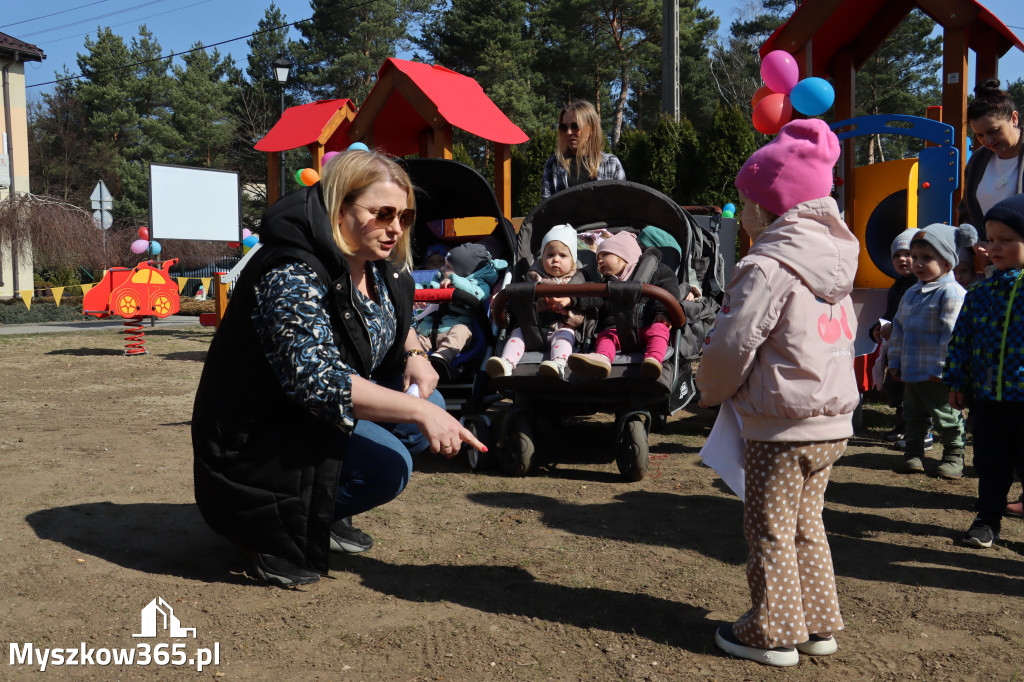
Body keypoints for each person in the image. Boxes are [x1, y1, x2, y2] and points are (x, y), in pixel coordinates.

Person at [192, 149, 485, 587]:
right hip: (255, 438)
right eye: (382, 213)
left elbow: (391, 317)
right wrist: (423, 413)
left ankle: (321, 512)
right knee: (392, 464)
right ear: (340, 207)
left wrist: (417, 356)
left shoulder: (374, 260)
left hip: (302, 415)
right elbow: (319, 381)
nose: (395, 228)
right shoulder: (291, 269)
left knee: (430, 399)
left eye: (403, 216)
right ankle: (274, 532)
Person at [696, 119, 860, 667]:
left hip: (782, 420)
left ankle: (771, 630)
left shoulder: (766, 265)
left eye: (746, 201)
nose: (742, 212)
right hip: (831, 420)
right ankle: (817, 622)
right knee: (805, 523)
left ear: (769, 208)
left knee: (767, 525)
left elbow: (733, 341)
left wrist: (709, 387)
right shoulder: (835, 260)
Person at [946, 193, 1024, 548]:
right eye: (990, 239)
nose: (994, 247)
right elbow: (961, 341)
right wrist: (958, 381)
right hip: (989, 397)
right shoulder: (980, 293)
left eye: (1006, 240)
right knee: (990, 463)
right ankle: (987, 519)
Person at [887, 224, 975, 478]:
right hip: (912, 371)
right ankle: (914, 455)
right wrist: (895, 362)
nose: (917, 263)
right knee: (912, 414)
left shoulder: (951, 293)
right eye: (915, 257)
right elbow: (899, 331)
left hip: (938, 373)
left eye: (927, 258)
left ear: (947, 264)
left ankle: (953, 457)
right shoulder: (911, 293)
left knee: (946, 416)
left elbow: (952, 335)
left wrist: (943, 367)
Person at [566, 230, 680, 380]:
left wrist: (663, 311)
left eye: (605, 255)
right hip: (617, 329)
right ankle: (602, 359)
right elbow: (593, 296)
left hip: (649, 323)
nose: (599, 261)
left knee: (660, 329)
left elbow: (670, 288)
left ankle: (653, 360)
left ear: (624, 256)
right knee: (605, 336)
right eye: (598, 257)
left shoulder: (656, 272)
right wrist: (572, 300)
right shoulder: (606, 283)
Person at [486, 224, 591, 380]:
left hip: (561, 326)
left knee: (565, 337)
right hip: (532, 327)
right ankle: (506, 363)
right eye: (549, 255)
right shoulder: (532, 278)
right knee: (517, 334)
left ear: (573, 261)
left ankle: (559, 364)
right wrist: (540, 304)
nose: (555, 259)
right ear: (541, 258)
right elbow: (519, 305)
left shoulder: (579, 281)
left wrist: (567, 308)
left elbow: (587, 309)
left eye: (562, 256)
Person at [414, 242, 507, 381]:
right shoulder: (439, 278)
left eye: (448, 266)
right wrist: (417, 293)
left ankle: (442, 358)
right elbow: (423, 286)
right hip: (427, 331)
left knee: (461, 331)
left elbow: (479, 295)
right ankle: (414, 362)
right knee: (413, 338)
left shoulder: (479, 285)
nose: (441, 268)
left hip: (454, 329)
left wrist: (455, 283)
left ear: (463, 272)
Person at [957, 79, 1023, 256]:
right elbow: (966, 212)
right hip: (995, 264)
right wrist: (975, 241)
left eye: (994, 131)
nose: (988, 140)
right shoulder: (978, 160)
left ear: (1014, 118)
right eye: (980, 135)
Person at [869, 229, 922, 443]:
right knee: (894, 387)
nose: (902, 259)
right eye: (897, 255)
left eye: (908, 254)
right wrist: (876, 327)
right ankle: (901, 425)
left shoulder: (918, 285)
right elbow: (890, 314)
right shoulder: (898, 284)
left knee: (908, 390)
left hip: (911, 348)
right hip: (895, 347)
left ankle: (913, 429)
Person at [540, 100, 625, 200]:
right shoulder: (554, 164)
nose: (568, 132)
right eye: (564, 127)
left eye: (575, 126)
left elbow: (621, 205)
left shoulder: (611, 163)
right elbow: (546, 207)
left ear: (592, 129)